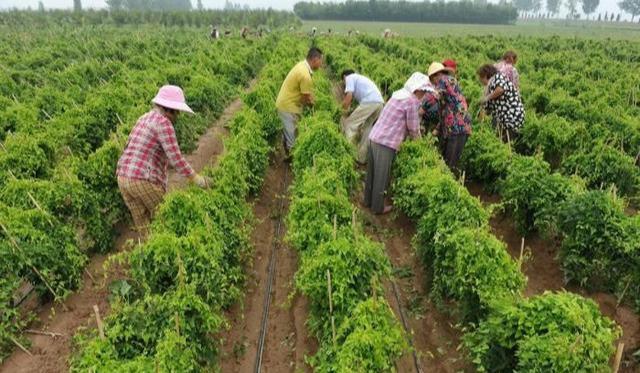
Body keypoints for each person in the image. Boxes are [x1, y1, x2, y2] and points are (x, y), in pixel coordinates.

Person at [116, 85, 209, 234]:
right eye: (177, 111)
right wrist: (196, 178)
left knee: (143, 226)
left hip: (122, 178)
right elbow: (176, 159)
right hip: (142, 179)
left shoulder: (143, 118)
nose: (177, 115)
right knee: (167, 217)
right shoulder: (164, 123)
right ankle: (175, 253)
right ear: (169, 109)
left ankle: (147, 253)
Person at [365, 72, 429, 215]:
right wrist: (421, 147)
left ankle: (368, 201)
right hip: (386, 143)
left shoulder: (399, 95)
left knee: (372, 173)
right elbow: (413, 128)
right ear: (417, 89)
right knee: (381, 177)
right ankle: (378, 208)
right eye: (423, 91)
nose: (424, 95)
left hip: (375, 137)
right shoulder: (411, 101)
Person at [275, 47, 323, 157]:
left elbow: (307, 94)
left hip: (288, 103)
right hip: (287, 106)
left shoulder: (302, 66)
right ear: (315, 59)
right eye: (321, 61)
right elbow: (305, 98)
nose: (321, 65)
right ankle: (292, 160)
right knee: (292, 136)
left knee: (292, 132)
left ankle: (289, 152)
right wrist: (313, 106)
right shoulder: (305, 75)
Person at [427, 62, 472, 172]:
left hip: (456, 126)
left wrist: (420, 110)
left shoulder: (443, 80)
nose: (433, 84)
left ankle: (448, 179)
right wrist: (438, 128)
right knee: (451, 158)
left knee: (449, 161)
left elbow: (434, 97)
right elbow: (447, 109)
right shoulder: (451, 81)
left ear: (435, 76)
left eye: (432, 80)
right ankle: (449, 175)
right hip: (460, 125)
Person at [341, 69, 385, 164]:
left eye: (343, 82)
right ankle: (361, 158)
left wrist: (341, 110)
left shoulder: (349, 78)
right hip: (379, 103)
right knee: (367, 128)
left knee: (350, 124)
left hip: (369, 101)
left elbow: (349, 96)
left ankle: (346, 152)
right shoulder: (361, 79)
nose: (345, 85)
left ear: (344, 77)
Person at [478, 64, 525, 141]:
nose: (480, 80)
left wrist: (487, 98)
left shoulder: (498, 77)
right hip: (504, 119)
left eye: (480, 77)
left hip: (512, 117)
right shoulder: (490, 87)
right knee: (499, 139)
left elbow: (501, 89)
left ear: (485, 75)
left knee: (506, 142)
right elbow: (487, 108)